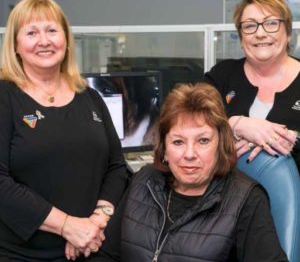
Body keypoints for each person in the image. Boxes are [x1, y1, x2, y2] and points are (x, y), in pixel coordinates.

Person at [0, 0, 130, 261]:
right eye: (31, 32)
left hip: (92, 246)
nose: (44, 41)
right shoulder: (5, 97)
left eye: (51, 30)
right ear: (15, 45)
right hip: (23, 254)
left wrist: (96, 221)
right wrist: (67, 226)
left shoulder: (89, 97)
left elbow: (117, 167)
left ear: (66, 40)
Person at [98, 82, 288, 261]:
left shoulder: (247, 200)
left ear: (220, 145)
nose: (189, 154)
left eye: (203, 141)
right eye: (178, 142)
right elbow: (105, 255)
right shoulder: (143, 180)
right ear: (164, 148)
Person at [204, 0, 300, 170]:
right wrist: (236, 124)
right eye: (249, 26)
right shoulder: (222, 74)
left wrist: (293, 140)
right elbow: (189, 118)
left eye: (271, 23)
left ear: (288, 33)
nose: (260, 33)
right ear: (241, 38)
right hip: (226, 192)